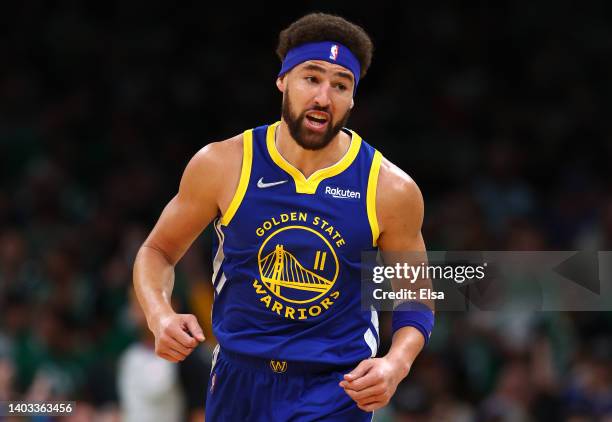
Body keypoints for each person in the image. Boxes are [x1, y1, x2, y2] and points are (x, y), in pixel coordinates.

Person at [133, 12, 434, 421]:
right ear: (283, 80)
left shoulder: (390, 189)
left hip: (336, 387)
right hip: (238, 378)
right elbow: (158, 250)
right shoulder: (223, 163)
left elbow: (415, 294)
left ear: (352, 99)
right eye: (311, 78)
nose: (324, 97)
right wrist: (159, 315)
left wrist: (396, 363)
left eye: (340, 85)